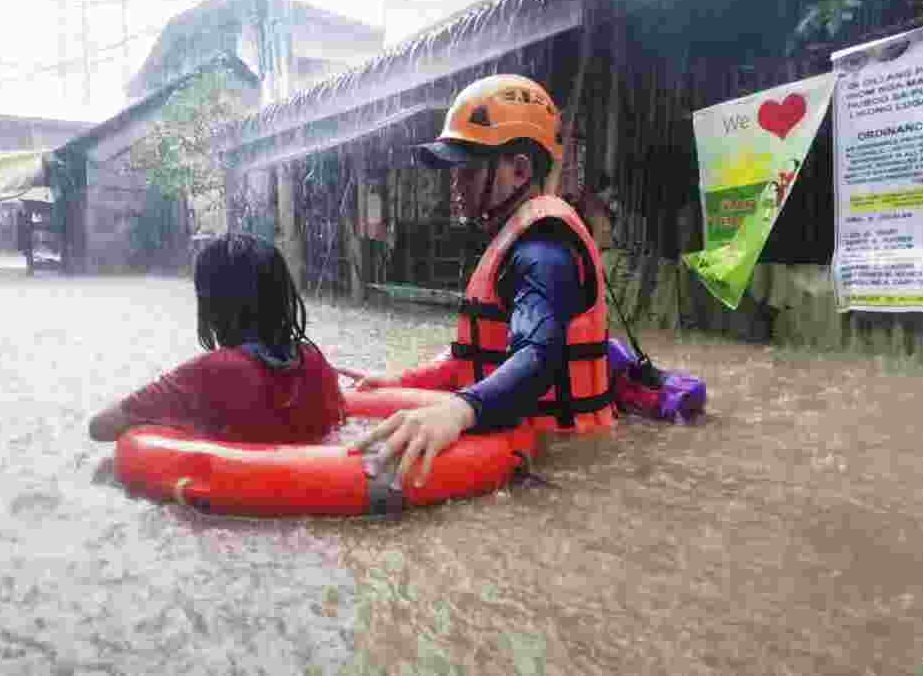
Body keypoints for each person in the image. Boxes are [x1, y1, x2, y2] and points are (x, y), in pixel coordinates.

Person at [351, 74, 613, 488]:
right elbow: (472, 356)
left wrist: (457, 411)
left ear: (520, 170)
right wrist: (399, 384)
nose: (455, 186)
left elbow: (539, 357)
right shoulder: (517, 239)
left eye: (468, 172)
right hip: (525, 439)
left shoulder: (543, 252)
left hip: (559, 460)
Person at [89, 233, 344, 443]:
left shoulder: (211, 371)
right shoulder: (315, 362)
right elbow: (338, 422)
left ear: (212, 306)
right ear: (283, 297)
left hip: (232, 498)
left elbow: (100, 427)